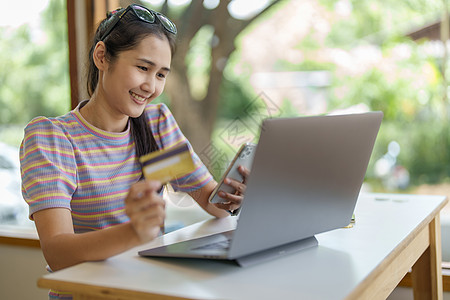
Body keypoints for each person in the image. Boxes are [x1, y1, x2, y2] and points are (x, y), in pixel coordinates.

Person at [20, 4, 248, 299]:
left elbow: (212, 204)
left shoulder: (155, 126)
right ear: (102, 57)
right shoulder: (53, 139)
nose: (151, 86)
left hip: (150, 289)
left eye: (161, 74)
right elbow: (58, 253)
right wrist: (134, 234)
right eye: (143, 68)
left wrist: (232, 195)